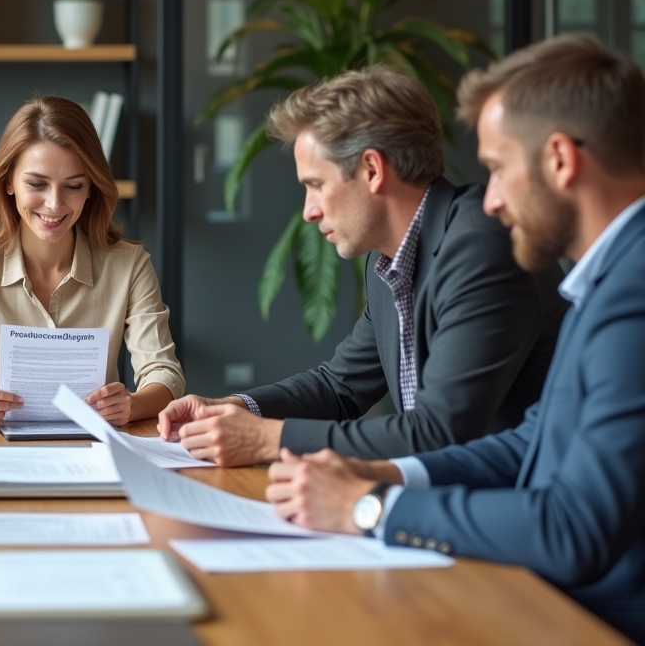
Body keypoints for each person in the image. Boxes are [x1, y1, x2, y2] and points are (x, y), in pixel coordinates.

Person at [266, 35, 645, 642]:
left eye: (497, 168)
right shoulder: (608, 274)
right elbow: (529, 442)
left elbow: (575, 529)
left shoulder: (632, 289)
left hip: (591, 617)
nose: (490, 198)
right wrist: (385, 481)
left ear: (559, 161)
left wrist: (369, 510)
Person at [158, 68, 566, 463]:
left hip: (519, 509)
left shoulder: (481, 247)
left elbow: (439, 432)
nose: (308, 212)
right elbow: (341, 388)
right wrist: (235, 409)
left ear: (372, 170)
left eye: (316, 185)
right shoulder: (388, 258)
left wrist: (268, 440)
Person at [0, 96, 185, 428]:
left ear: (91, 187)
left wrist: (132, 405)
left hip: (94, 455)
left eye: (73, 186)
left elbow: (164, 372)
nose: (54, 204)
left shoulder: (130, 265)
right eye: (37, 184)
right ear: (8, 182)